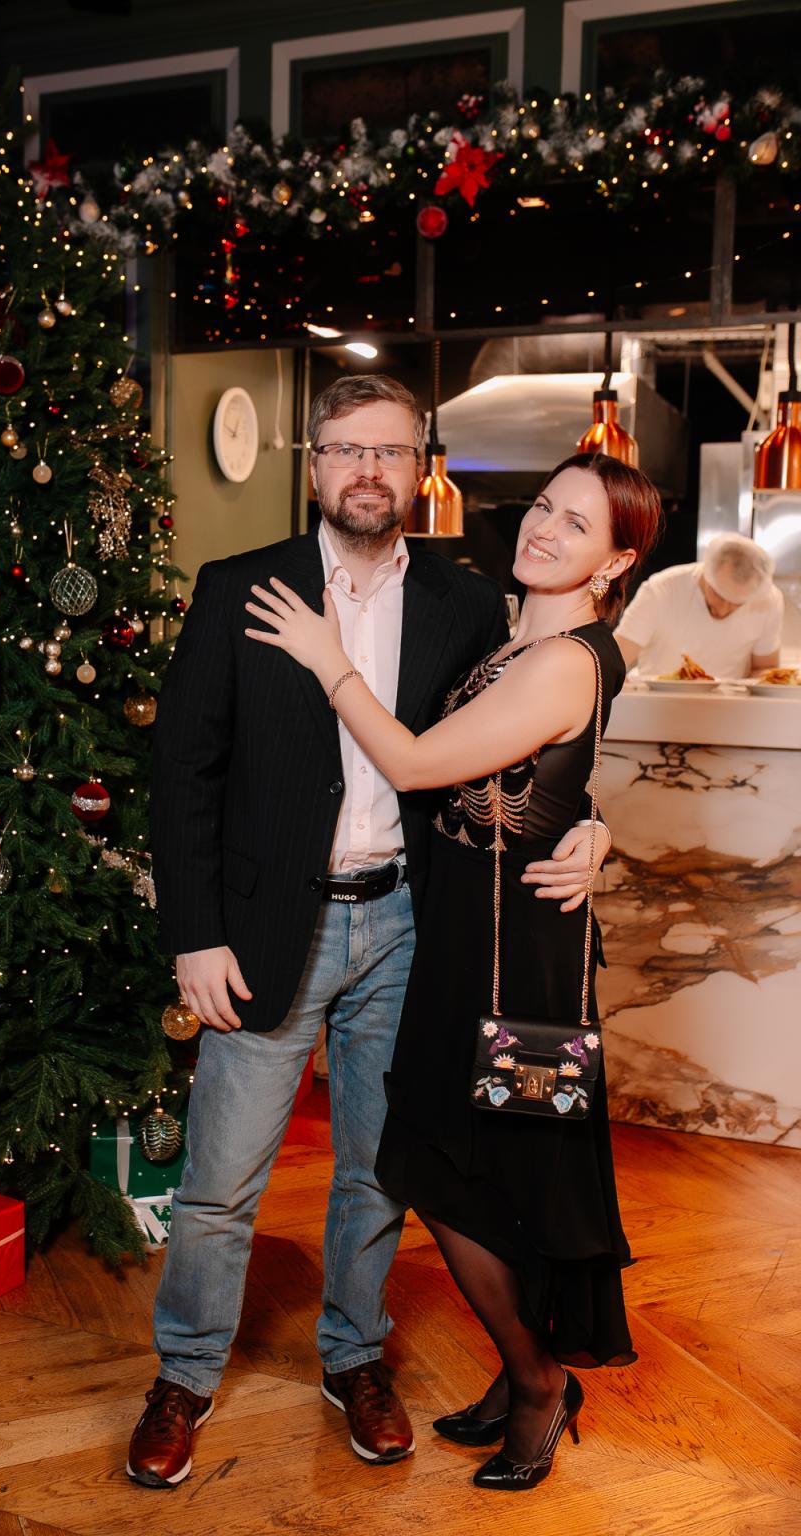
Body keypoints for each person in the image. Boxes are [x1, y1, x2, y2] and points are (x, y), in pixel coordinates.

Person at [129, 376, 611, 1490]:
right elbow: (182, 772)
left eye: (389, 451)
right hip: (264, 931)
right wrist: (194, 935)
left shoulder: (465, 604)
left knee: (378, 1172)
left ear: (417, 466)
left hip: (408, 926)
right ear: (313, 465)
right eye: (345, 449)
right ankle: (185, 1376)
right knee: (221, 1181)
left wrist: (593, 826)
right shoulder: (240, 587)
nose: (367, 471)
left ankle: (353, 1359)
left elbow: (524, 749)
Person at [245, 450, 662, 1493]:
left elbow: (417, 764)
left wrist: (326, 656)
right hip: (465, 947)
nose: (545, 529)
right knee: (470, 1174)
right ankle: (519, 1367)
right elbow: (546, 779)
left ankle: (538, 1382)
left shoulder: (567, 660)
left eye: (578, 525)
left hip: (518, 969)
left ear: (615, 564)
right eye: (544, 506)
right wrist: (592, 825)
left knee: (462, 1174)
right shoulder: (515, 636)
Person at [615, 531, 782, 678]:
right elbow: (615, 660)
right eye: (718, 595)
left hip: (729, 702)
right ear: (706, 572)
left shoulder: (768, 600)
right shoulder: (662, 590)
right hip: (657, 701)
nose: (723, 609)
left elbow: (764, 669)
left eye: (737, 603)